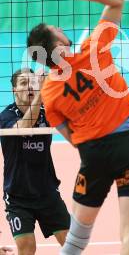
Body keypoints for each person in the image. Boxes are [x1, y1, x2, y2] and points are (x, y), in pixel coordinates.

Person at [26, 0, 129, 255]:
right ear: (57, 44)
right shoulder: (93, 50)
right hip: (128, 145)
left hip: (93, 154)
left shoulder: (49, 92)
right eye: (56, 29)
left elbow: (70, 137)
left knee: (76, 238)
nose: (61, 28)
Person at [0, 68, 70, 255]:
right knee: (27, 247)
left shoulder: (47, 113)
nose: (29, 87)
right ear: (14, 90)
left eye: (32, 82)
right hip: (17, 197)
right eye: (23, 83)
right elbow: (24, 127)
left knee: (72, 245)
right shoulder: (6, 116)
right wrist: (41, 94)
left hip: (47, 192)